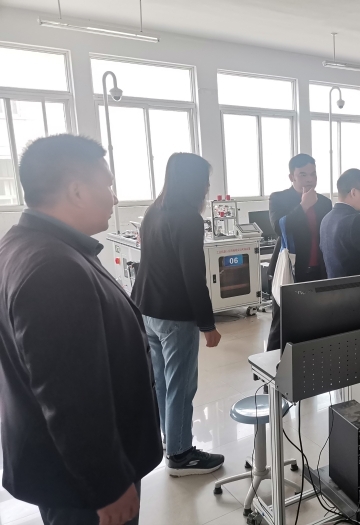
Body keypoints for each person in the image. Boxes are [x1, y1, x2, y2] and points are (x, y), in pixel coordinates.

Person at [0, 134, 162, 524]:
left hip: (64, 470)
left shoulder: (22, 245)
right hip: (82, 486)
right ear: (76, 191)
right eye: (107, 185)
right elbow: (70, 397)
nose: (114, 198)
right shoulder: (53, 269)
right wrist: (107, 486)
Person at [131, 153, 225, 477]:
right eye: (205, 181)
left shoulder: (153, 211)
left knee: (162, 383)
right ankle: (181, 455)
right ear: (193, 182)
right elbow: (192, 276)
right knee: (181, 387)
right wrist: (208, 324)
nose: (207, 187)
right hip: (174, 315)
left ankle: (170, 440)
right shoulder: (188, 219)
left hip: (148, 310)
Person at [266, 153, 332, 350]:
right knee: (282, 323)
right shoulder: (278, 198)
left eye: (313, 174)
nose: (309, 179)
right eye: (303, 174)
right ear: (291, 177)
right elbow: (279, 227)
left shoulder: (324, 202)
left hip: (317, 271)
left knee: (315, 320)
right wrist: (303, 205)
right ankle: (273, 365)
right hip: (289, 270)